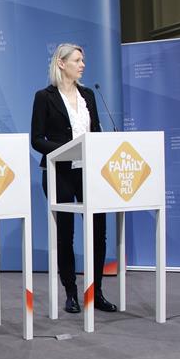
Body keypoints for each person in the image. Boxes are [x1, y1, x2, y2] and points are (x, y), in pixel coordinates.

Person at [30, 43, 117, 314]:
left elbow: (96, 131)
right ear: (61, 63)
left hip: (89, 172)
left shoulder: (88, 95)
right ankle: (71, 293)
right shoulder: (44, 97)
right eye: (77, 60)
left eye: (83, 60)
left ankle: (96, 292)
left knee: (98, 233)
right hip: (60, 173)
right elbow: (37, 139)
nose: (82, 65)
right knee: (65, 234)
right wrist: (67, 150)